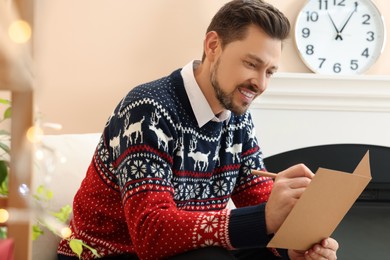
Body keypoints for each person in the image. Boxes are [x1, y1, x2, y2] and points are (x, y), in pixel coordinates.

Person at [58, 0, 339, 259]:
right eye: (251, 64)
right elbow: (150, 232)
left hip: (186, 249)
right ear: (213, 45)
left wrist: (292, 247)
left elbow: (256, 195)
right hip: (107, 253)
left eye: (270, 72)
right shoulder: (148, 110)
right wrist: (265, 217)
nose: (261, 84)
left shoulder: (237, 117)